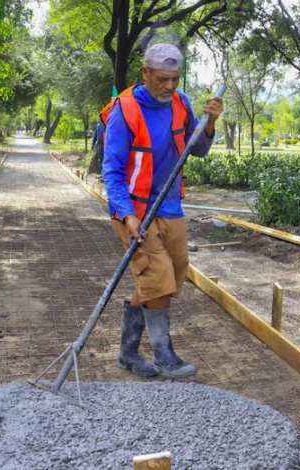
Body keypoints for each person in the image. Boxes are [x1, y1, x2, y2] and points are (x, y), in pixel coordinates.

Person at [101, 44, 223, 379]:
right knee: (158, 276)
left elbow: (197, 148)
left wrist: (210, 122)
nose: (169, 86)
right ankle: (164, 356)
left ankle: (127, 352)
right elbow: (111, 170)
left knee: (170, 276)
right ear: (145, 73)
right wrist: (126, 215)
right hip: (135, 211)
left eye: (175, 79)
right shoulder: (124, 111)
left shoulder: (181, 103)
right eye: (162, 79)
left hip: (169, 206)